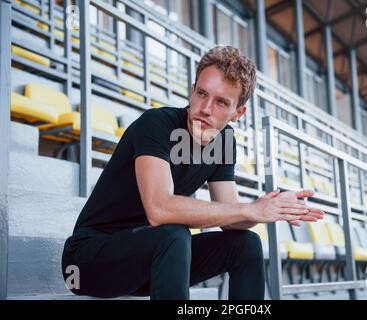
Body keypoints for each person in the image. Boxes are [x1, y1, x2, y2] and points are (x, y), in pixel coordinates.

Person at [61, 46, 324, 300]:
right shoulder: (156, 123)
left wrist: (267, 209)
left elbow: (229, 217)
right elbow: (159, 209)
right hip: (89, 262)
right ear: (192, 92)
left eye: (221, 102)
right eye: (201, 94)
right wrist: (247, 209)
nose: (206, 108)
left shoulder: (224, 141)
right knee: (173, 232)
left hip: (152, 263)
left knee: (247, 243)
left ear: (238, 113)